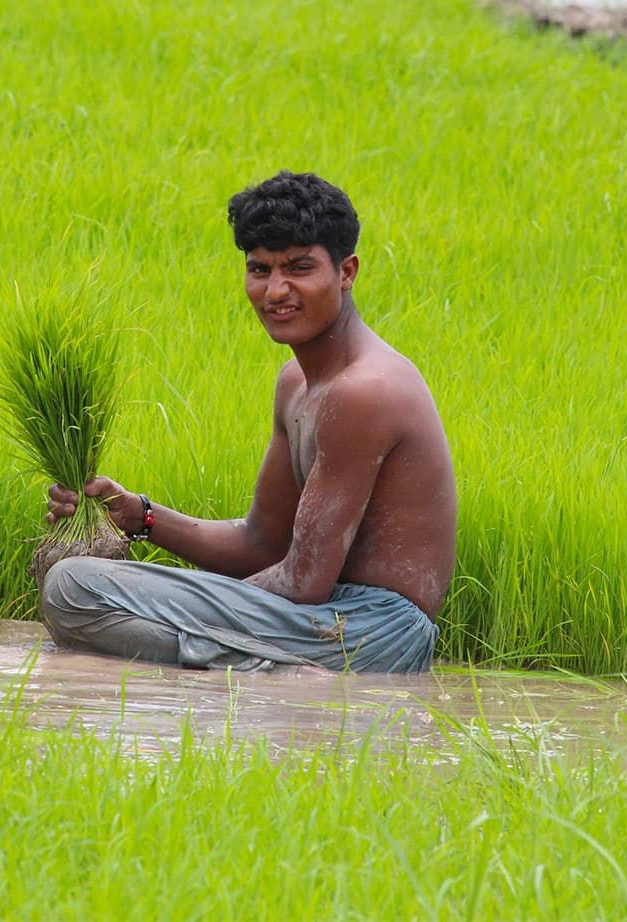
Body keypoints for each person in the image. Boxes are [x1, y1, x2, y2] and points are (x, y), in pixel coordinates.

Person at [41, 170, 457, 672]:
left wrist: (186, 601)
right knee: (82, 589)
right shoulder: (296, 383)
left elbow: (303, 584)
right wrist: (139, 515)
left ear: (346, 272)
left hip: (368, 634)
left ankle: (264, 673)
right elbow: (260, 543)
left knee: (73, 586)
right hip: (317, 619)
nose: (276, 290)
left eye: (299, 268)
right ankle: (255, 672)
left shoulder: (363, 392)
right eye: (260, 270)